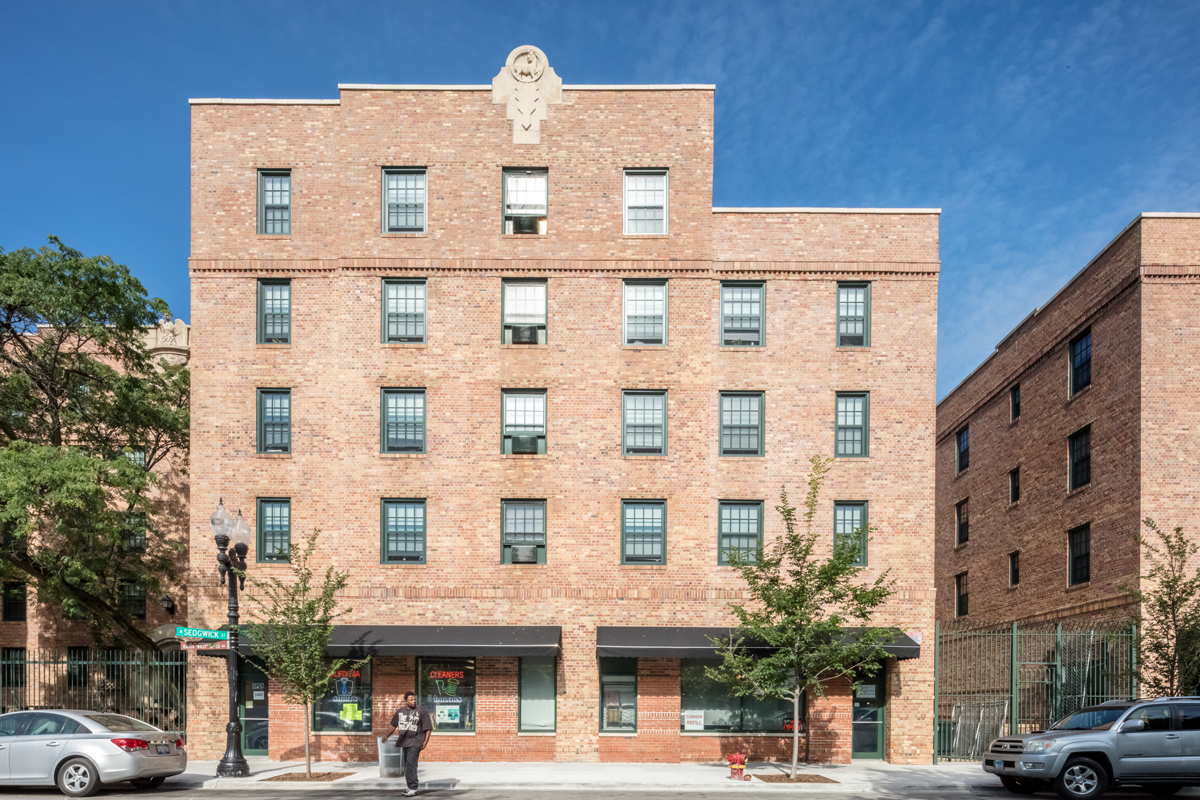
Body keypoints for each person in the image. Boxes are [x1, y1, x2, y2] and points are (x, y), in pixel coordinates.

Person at [383, 690, 432, 796]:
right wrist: (387, 735)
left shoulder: (421, 711)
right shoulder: (400, 712)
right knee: (407, 765)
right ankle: (410, 787)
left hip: (416, 740)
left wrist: (425, 741)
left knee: (411, 763)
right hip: (404, 741)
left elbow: (428, 728)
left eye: (414, 699)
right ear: (406, 701)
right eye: (411, 700)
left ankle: (413, 788)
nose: (414, 701)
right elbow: (393, 725)